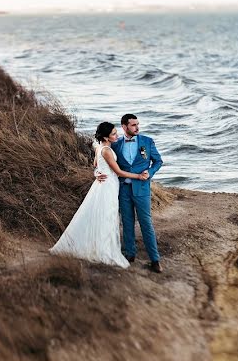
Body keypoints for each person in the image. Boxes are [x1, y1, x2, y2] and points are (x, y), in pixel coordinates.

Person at [49, 122, 144, 266]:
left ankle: (98, 244)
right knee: (107, 216)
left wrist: (97, 173)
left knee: (102, 215)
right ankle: (103, 249)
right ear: (106, 137)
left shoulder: (100, 147)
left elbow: (95, 165)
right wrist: (138, 176)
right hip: (108, 185)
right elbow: (118, 172)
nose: (117, 135)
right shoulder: (106, 150)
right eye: (113, 134)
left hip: (103, 184)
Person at [110, 113, 164, 272]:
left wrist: (150, 172)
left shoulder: (147, 141)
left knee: (146, 223)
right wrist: (98, 173)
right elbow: (107, 162)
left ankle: (155, 260)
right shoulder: (116, 144)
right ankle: (130, 254)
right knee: (127, 222)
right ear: (124, 127)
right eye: (133, 125)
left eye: (137, 124)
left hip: (142, 189)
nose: (137, 127)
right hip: (123, 190)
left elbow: (158, 161)